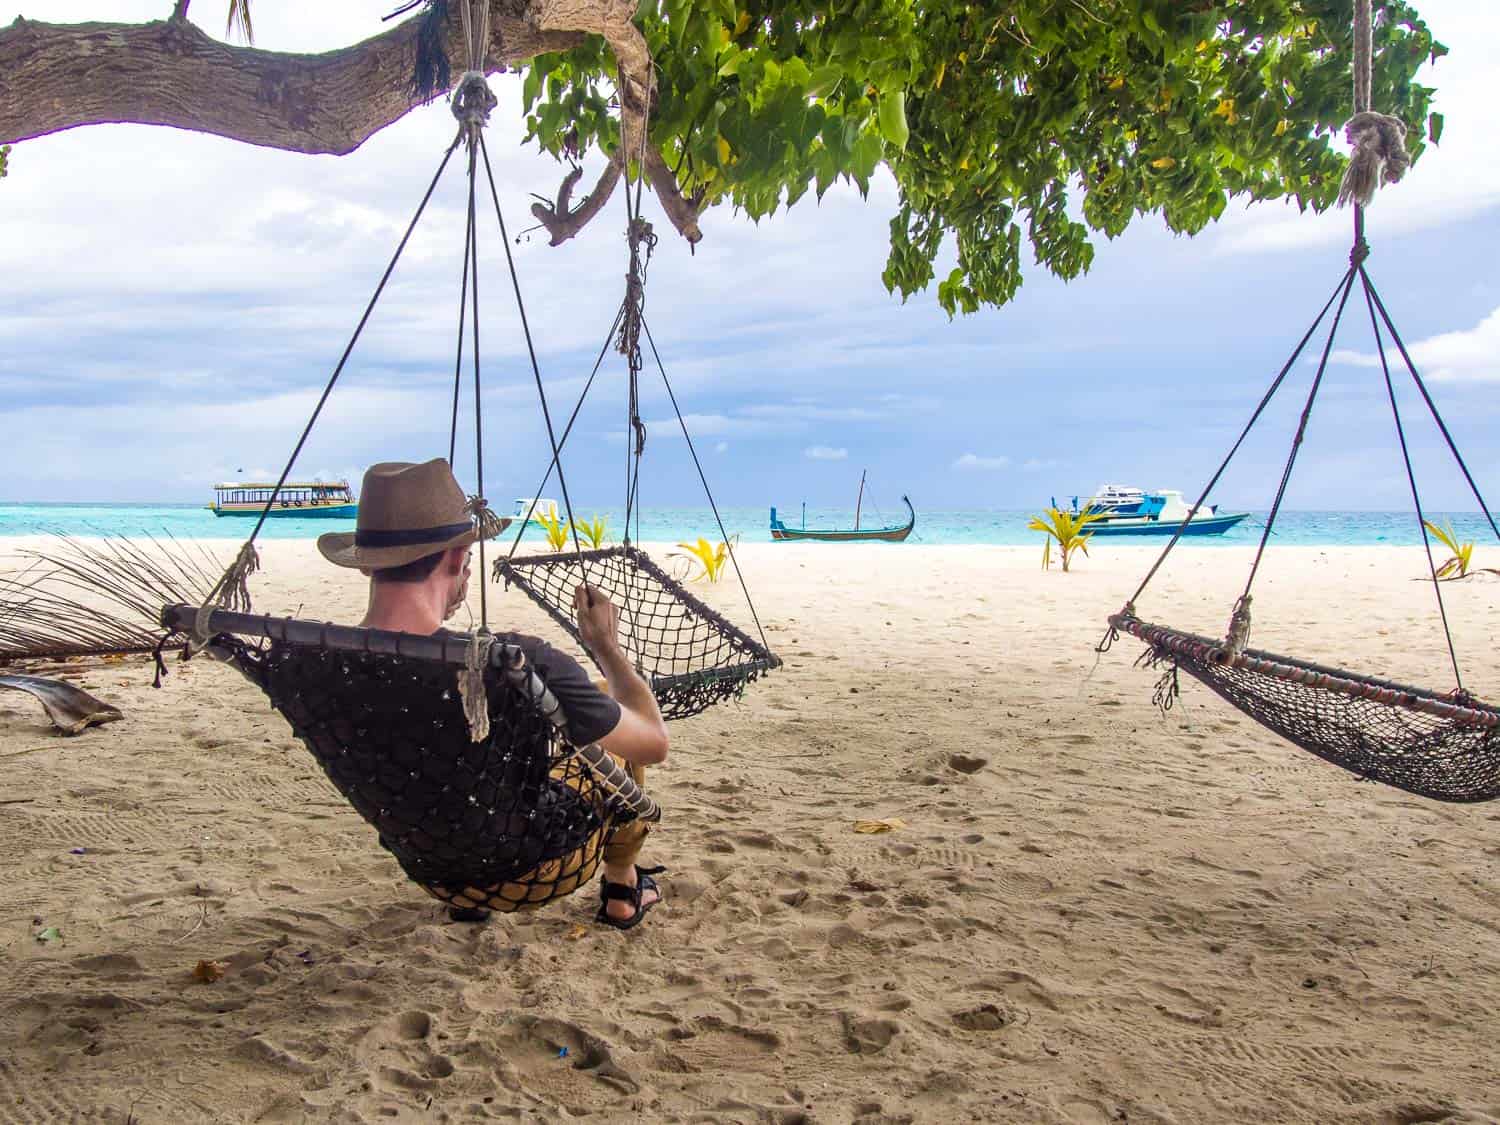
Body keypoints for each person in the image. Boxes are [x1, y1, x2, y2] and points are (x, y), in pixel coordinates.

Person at [314, 459, 670, 929]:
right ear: (459, 558)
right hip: (534, 868)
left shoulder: (322, 662)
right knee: (611, 706)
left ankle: (468, 904)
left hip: (432, 868)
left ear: (367, 567)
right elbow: (654, 742)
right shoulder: (515, 660)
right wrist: (606, 646)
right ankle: (622, 887)